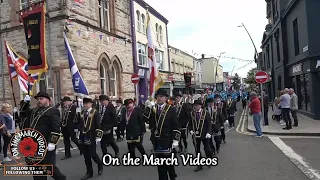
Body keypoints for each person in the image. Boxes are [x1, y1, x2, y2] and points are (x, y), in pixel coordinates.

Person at [24, 92, 66, 180]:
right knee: (37, 170)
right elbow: (23, 114)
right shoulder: (34, 111)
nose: (39, 101)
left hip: (46, 144)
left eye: (41, 99)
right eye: (38, 99)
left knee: (48, 167)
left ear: (48, 100)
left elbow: (56, 128)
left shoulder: (53, 111)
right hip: (33, 145)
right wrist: (25, 103)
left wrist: (52, 143)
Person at [146, 89, 181, 180]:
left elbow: (176, 125)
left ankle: (172, 176)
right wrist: (148, 107)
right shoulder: (153, 109)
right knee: (160, 166)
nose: (159, 98)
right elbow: (144, 119)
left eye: (161, 96)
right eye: (157, 96)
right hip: (157, 141)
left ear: (166, 98)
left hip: (167, 139)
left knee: (169, 164)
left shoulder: (171, 109)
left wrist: (176, 140)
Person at [77, 97, 103, 180]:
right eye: (84, 103)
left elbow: (98, 124)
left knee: (93, 154)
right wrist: (77, 130)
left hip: (92, 136)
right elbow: (80, 123)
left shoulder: (95, 112)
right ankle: (89, 172)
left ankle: (99, 164)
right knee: (86, 156)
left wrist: (98, 136)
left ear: (91, 104)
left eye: (87, 103)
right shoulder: (81, 113)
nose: (85, 105)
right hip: (83, 136)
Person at [189, 100, 212, 172]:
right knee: (197, 150)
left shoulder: (206, 113)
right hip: (195, 135)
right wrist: (190, 130)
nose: (196, 107)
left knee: (207, 149)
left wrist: (209, 132)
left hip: (205, 135)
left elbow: (209, 124)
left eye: (197, 105)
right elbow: (189, 123)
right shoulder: (192, 113)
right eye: (195, 105)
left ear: (201, 106)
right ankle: (199, 165)